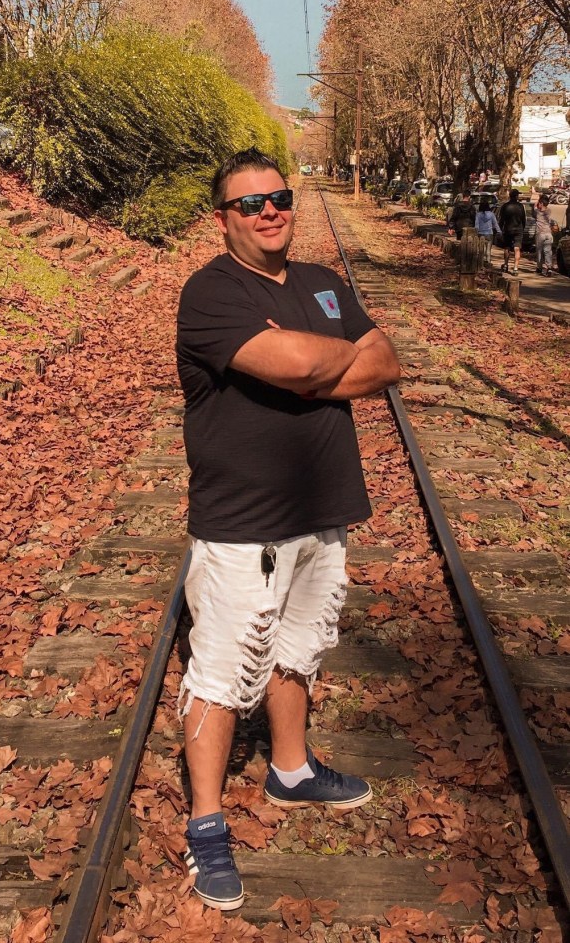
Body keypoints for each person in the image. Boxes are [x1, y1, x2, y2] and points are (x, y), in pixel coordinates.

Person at [175, 148, 401, 911]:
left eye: (277, 198)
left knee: (300, 646)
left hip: (321, 507)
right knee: (220, 669)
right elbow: (304, 364)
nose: (268, 211)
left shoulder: (322, 283)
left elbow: (385, 360)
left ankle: (291, 769)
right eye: (249, 204)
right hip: (242, 522)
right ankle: (206, 821)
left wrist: (311, 361)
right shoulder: (210, 292)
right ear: (223, 219)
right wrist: (326, 362)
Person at [498, 188, 526, 274]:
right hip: (518, 229)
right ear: (516, 196)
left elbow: (501, 219)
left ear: (509, 196)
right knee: (517, 248)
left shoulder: (505, 206)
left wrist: (500, 229)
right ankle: (515, 268)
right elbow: (523, 219)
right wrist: (522, 228)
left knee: (507, 247)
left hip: (508, 229)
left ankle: (506, 265)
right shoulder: (521, 206)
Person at [534, 193, 558, 275]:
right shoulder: (549, 211)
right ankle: (549, 267)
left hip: (540, 234)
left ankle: (539, 268)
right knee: (548, 251)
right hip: (548, 234)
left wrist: (538, 199)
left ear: (541, 203)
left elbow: (535, 206)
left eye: (539, 203)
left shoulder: (537, 212)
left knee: (539, 252)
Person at [474, 196, 502, 267]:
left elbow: (476, 225)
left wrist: (476, 232)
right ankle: (488, 262)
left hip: (480, 233)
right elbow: (495, 223)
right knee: (488, 250)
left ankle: (481, 263)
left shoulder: (478, 215)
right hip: (489, 233)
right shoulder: (492, 214)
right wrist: (499, 231)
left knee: (481, 249)